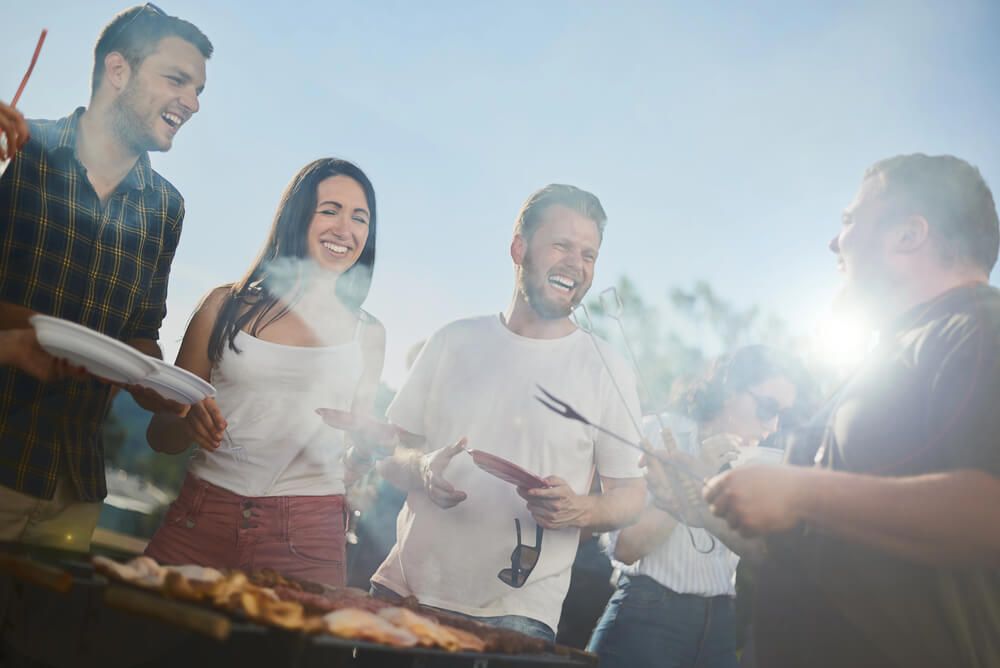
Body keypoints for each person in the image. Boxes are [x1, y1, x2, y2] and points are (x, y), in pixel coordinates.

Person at [683, 154, 1000, 667]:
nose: (835, 242)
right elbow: (822, 543)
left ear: (908, 235)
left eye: (850, 221)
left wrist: (804, 490)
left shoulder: (981, 328)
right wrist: (700, 505)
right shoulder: (877, 365)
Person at [368, 184, 647, 641]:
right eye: (561, 245)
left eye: (589, 254)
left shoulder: (608, 369)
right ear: (519, 248)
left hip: (518, 617)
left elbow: (631, 497)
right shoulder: (451, 340)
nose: (576, 264)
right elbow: (388, 455)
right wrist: (420, 467)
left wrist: (579, 509)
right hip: (404, 596)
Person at [0, 6, 213, 551]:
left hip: (75, 491)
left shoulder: (166, 207)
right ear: (118, 70)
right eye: (176, 79)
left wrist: (166, 391)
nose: (191, 102)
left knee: (39, 639)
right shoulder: (17, 154)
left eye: (198, 90)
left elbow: (141, 334)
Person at [144, 158, 385, 587]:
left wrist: (367, 452)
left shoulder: (369, 335)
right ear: (297, 216)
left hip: (308, 535)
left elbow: (352, 460)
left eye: (359, 217)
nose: (345, 229)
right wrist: (186, 424)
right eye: (329, 210)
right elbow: (160, 435)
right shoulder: (222, 307)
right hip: (201, 519)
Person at [588, 345, 799, 668]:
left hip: (720, 627)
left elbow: (769, 555)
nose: (772, 426)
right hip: (649, 615)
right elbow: (627, 548)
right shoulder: (657, 431)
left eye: (782, 414)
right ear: (731, 392)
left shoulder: (754, 464)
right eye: (768, 408)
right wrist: (698, 470)